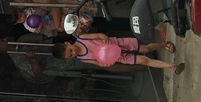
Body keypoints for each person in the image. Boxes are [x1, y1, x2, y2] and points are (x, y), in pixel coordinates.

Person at [51, 32, 185, 75]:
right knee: (144, 61)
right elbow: (98, 63)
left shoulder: (82, 38)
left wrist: (106, 40)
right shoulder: (82, 58)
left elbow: (100, 35)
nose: (74, 52)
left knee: (146, 49)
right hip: (119, 57)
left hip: (119, 44)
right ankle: (172, 66)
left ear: (67, 43)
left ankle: (163, 45)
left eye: (70, 50)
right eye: (71, 56)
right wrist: (106, 63)